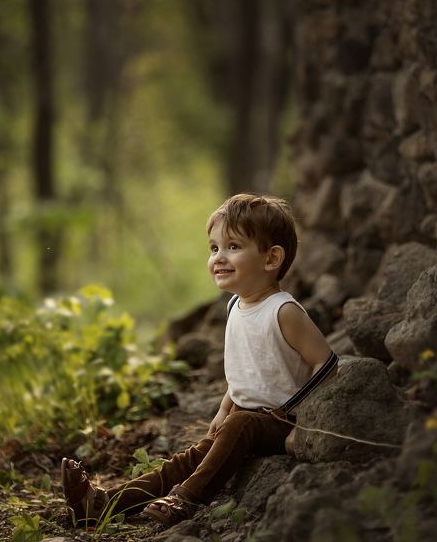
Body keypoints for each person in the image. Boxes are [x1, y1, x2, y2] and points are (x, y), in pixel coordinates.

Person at [61, 193, 336, 528]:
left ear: (271, 258)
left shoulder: (283, 311)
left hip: (283, 423)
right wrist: (224, 409)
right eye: (214, 248)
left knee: (239, 426)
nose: (219, 257)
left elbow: (327, 364)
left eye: (233, 247)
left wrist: (302, 423)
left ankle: (184, 499)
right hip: (244, 421)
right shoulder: (236, 306)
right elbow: (245, 374)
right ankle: (103, 503)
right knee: (187, 458)